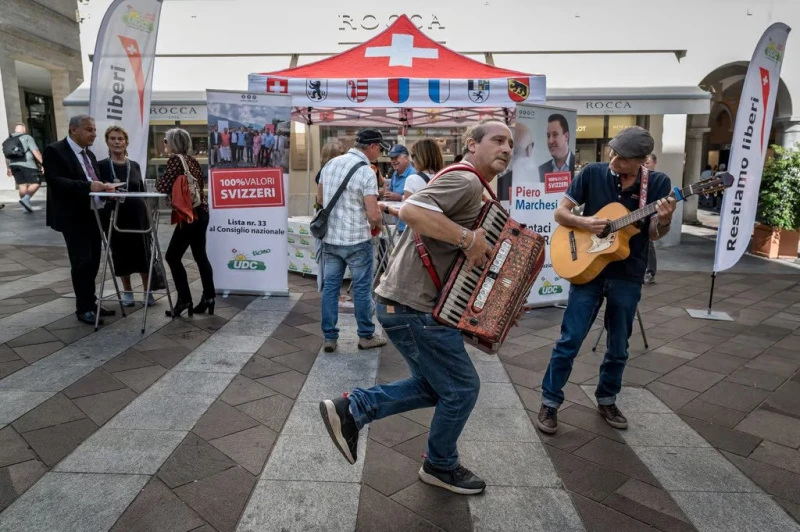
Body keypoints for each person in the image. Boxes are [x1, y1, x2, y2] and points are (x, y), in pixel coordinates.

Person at [319, 119, 514, 496]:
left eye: (510, 142)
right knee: (462, 388)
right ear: (472, 145)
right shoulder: (467, 179)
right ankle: (440, 465)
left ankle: (353, 409)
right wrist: (468, 237)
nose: (506, 147)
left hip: (408, 304)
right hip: (414, 306)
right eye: (497, 140)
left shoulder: (477, 187)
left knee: (435, 385)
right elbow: (412, 211)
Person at [535, 126, 676, 435]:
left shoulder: (659, 184)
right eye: (612, 151)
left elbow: (653, 233)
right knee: (569, 340)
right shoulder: (593, 173)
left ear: (639, 161)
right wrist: (584, 221)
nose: (612, 158)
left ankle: (607, 398)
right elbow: (561, 213)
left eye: (621, 156)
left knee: (619, 345)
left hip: (627, 273)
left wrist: (664, 218)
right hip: (587, 270)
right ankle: (549, 401)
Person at [43, 115, 117, 325]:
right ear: (74, 130)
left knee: (93, 261)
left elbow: (93, 181)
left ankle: (91, 302)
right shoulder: (55, 151)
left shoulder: (90, 155)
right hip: (73, 217)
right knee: (81, 261)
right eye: (89, 130)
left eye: (94, 130)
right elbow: (56, 181)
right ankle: (83, 308)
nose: (94, 134)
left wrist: (106, 188)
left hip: (94, 214)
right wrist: (89, 187)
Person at [318, 129, 387, 353]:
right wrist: (378, 223)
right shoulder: (366, 171)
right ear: (373, 146)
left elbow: (320, 199)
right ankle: (366, 335)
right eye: (380, 148)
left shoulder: (331, 164)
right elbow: (373, 214)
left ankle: (329, 337)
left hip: (331, 239)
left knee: (330, 289)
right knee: (361, 289)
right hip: (357, 240)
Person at [156, 128, 215, 318]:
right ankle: (208, 297)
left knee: (172, 256)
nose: (165, 144)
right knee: (200, 255)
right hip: (201, 212)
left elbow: (162, 186)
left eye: (166, 140)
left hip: (190, 215)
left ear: (172, 143)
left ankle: (184, 300)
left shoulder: (175, 160)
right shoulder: (193, 160)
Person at [98, 126, 156, 308]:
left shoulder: (135, 165)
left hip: (138, 216)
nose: (117, 142)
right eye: (113, 138)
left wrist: (148, 214)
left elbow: (142, 191)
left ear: (126, 142)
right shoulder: (101, 166)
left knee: (143, 253)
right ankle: (127, 291)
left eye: (120, 139)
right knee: (120, 254)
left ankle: (147, 292)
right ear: (107, 141)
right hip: (115, 215)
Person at [380, 138, 445, 217]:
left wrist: (386, 209)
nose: (413, 160)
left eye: (413, 156)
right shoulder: (445, 178)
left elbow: (407, 215)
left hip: (418, 228)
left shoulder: (412, 179)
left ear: (420, 157)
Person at [4, 123, 43, 212]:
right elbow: (35, 151)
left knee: (22, 184)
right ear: (24, 130)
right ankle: (26, 199)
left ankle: (26, 205)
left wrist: (8, 168)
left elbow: (6, 156)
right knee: (36, 182)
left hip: (13, 165)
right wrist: (43, 163)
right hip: (27, 164)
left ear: (15, 130)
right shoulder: (27, 137)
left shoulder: (8, 139)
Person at [538, 113, 575, 181]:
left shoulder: (576, 167)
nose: (550, 141)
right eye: (548, 136)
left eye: (555, 135)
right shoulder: (541, 170)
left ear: (566, 136)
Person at [643, 153, 658, 285]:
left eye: (647, 163)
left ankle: (650, 271)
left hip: (650, 215)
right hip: (637, 214)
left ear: (654, 163)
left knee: (649, 243)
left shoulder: (658, 180)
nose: (645, 165)